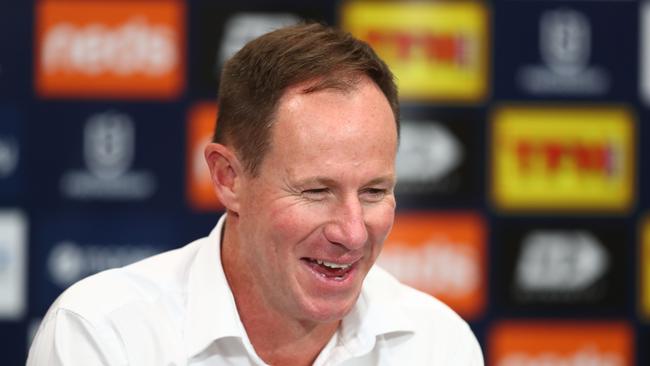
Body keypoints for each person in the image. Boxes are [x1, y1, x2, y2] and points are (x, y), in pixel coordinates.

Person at [27, 23, 483, 365]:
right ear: (228, 178)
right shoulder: (105, 335)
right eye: (316, 190)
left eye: (374, 191)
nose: (352, 232)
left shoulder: (438, 344)